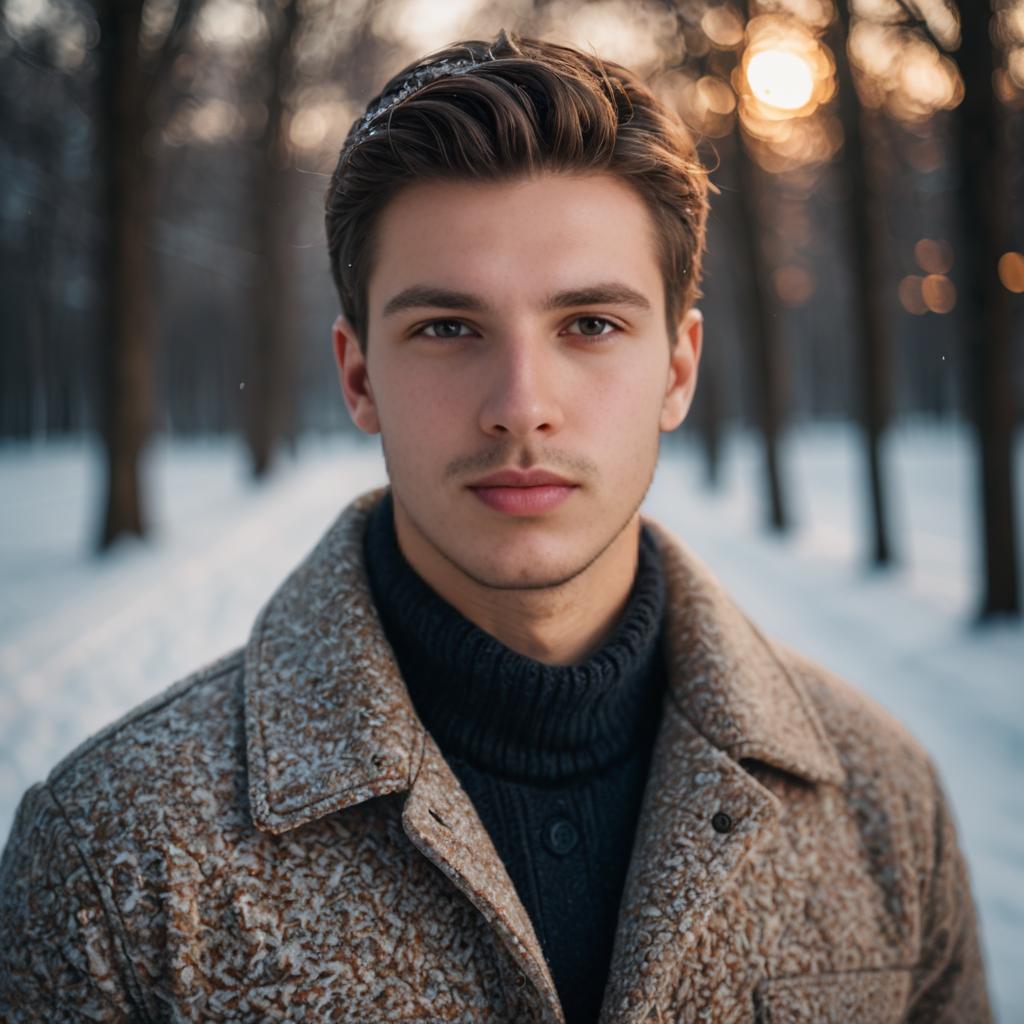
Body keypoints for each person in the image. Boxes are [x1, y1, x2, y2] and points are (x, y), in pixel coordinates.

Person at [0, 29, 991, 1024]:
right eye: (447, 328)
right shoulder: (112, 849)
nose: (521, 404)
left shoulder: (882, 800)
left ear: (678, 368)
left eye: (589, 325)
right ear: (358, 376)